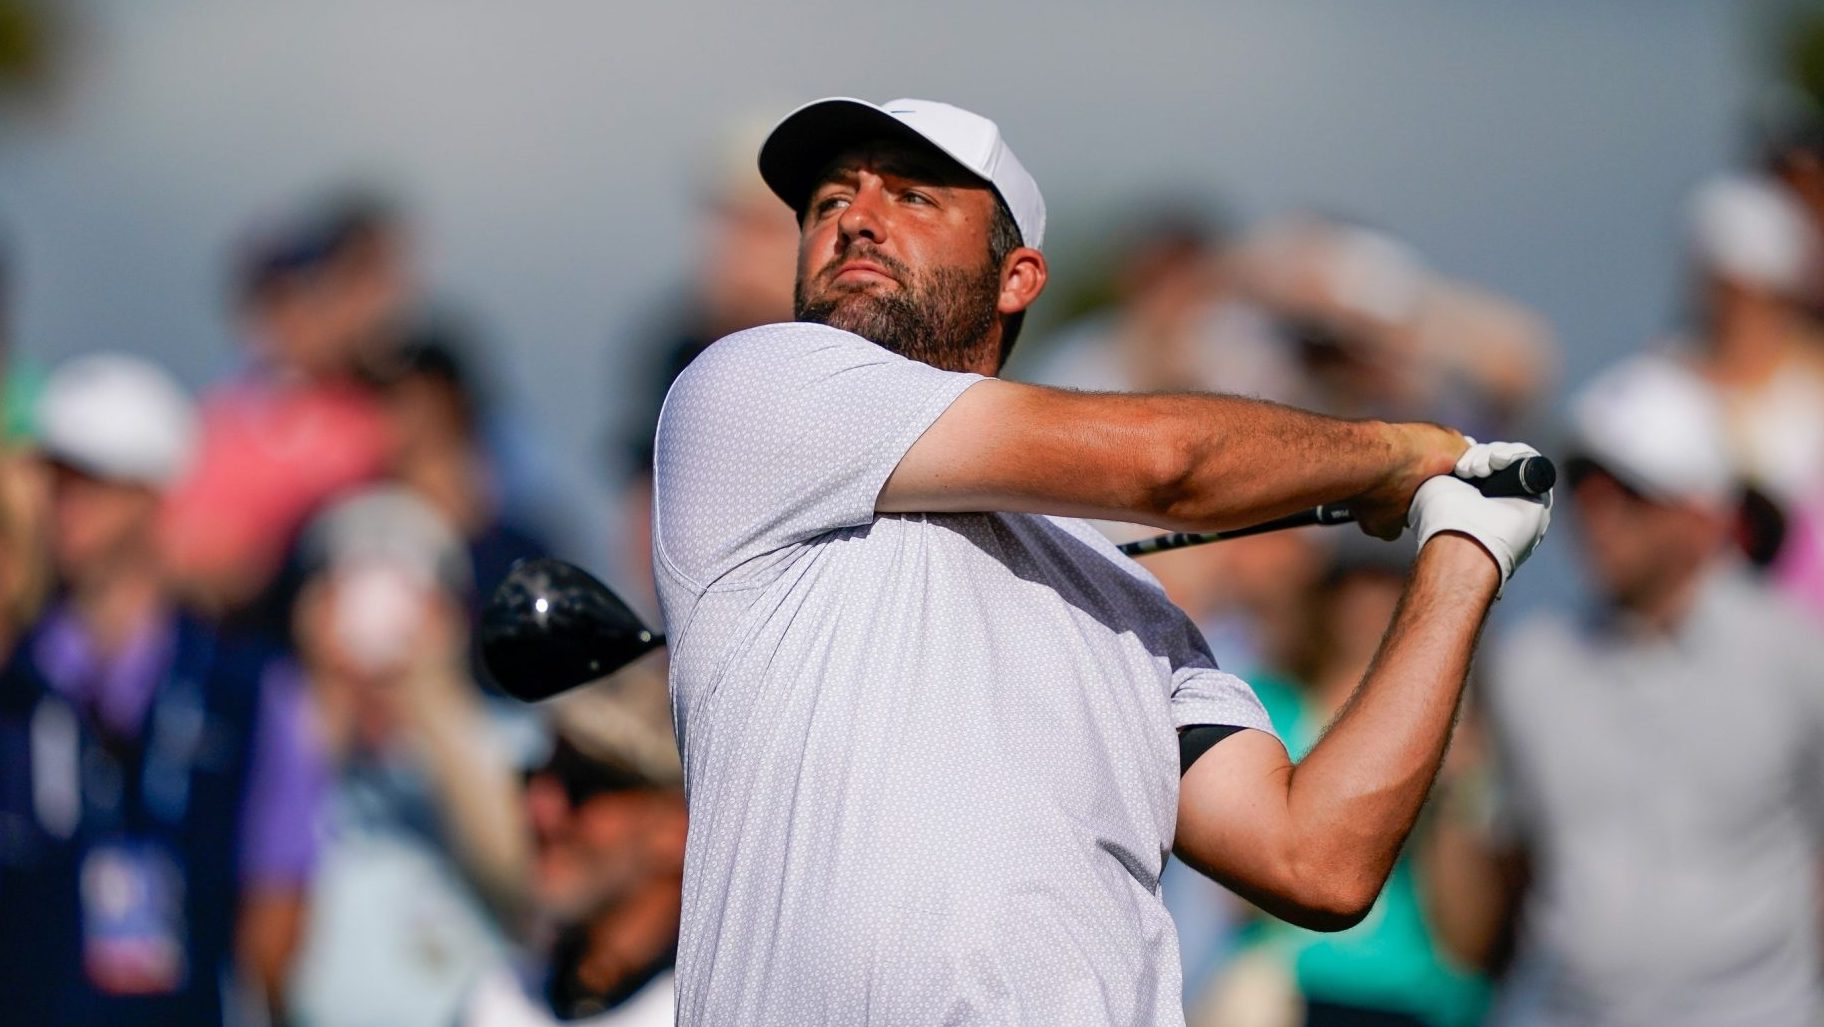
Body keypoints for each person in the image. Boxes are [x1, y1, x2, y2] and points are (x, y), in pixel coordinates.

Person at [651, 96, 1552, 1024]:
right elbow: (1172, 466)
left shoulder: (1129, 603)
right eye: (830, 203)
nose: (856, 220)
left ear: (1017, 278)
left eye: (914, 197)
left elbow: (1315, 858)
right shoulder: (751, 388)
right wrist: (1398, 454)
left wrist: (1464, 552)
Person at [1470, 355, 1824, 1027]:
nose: (1598, 511)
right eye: (1583, 483)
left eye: (1631, 489)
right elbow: (1506, 871)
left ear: (1701, 514)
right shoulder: (1529, 664)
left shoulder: (1795, 654)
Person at [0, 353, 326, 1025]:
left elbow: (275, 914)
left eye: (91, 480)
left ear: (151, 491)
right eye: (54, 478)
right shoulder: (14, 675)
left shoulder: (245, 687)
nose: (65, 502)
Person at [283, 486, 532, 1027]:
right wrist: (324, 688)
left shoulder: (515, 740)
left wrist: (433, 698)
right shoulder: (285, 738)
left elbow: (520, 879)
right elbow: (255, 862)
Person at [463, 672, 685, 1027]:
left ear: (677, 826)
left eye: (581, 785)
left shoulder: (724, 1010)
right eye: (535, 776)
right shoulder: (497, 998)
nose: (540, 809)